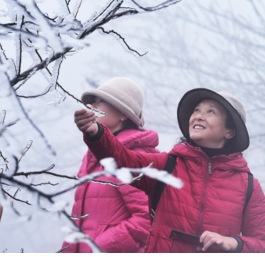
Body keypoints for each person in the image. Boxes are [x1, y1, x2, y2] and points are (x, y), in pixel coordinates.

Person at [74, 88, 265, 253]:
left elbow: (261, 243)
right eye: (196, 110)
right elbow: (124, 161)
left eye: (210, 111)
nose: (198, 115)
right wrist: (96, 133)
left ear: (229, 132)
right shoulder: (168, 165)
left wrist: (234, 243)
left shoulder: (248, 186)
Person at [62, 78, 160, 253]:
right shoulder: (92, 158)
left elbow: (147, 220)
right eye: (93, 101)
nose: (93, 105)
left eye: (101, 101)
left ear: (123, 114)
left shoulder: (135, 158)